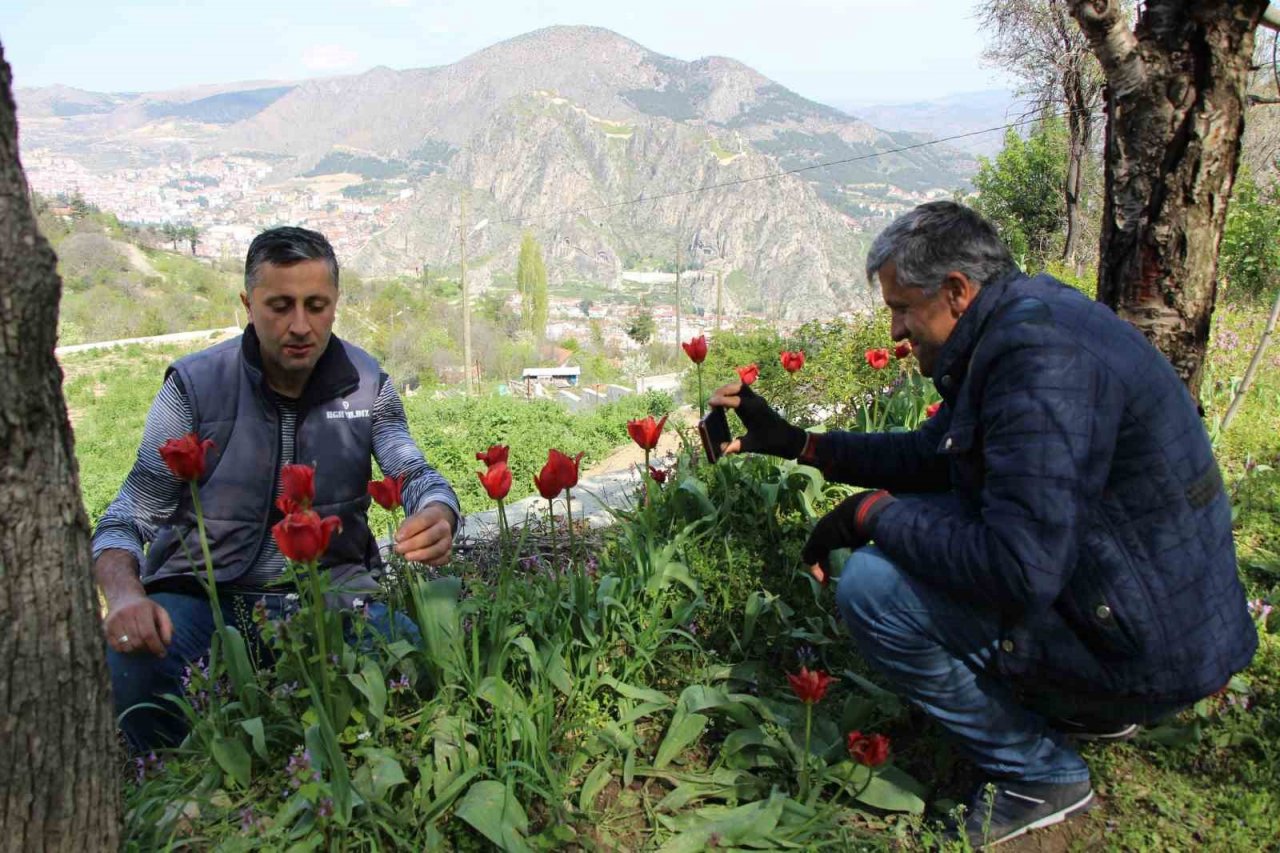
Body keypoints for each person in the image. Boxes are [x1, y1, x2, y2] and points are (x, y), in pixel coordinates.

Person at [710, 202, 1257, 847]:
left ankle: (1038, 772)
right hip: (1146, 610)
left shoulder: (1037, 365)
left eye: (903, 307)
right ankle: (1088, 706)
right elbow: (935, 455)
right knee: (929, 524)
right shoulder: (1023, 324)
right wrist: (803, 445)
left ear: (956, 292)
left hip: (1149, 645)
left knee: (875, 590)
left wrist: (872, 516)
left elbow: (1019, 570)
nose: (895, 330)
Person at [92, 226, 461, 751]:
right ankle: (181, 779)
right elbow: (126, 517)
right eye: (280, 305)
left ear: (336, 304)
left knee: (417, 652)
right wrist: (126, 595)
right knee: (135, 663)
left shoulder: (366, 383)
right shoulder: (195, 385)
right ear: (247, 303)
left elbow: (414, 471)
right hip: (207, 599)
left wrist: (439, 511)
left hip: (330, 595)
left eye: (316, 305)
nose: (300, 326)